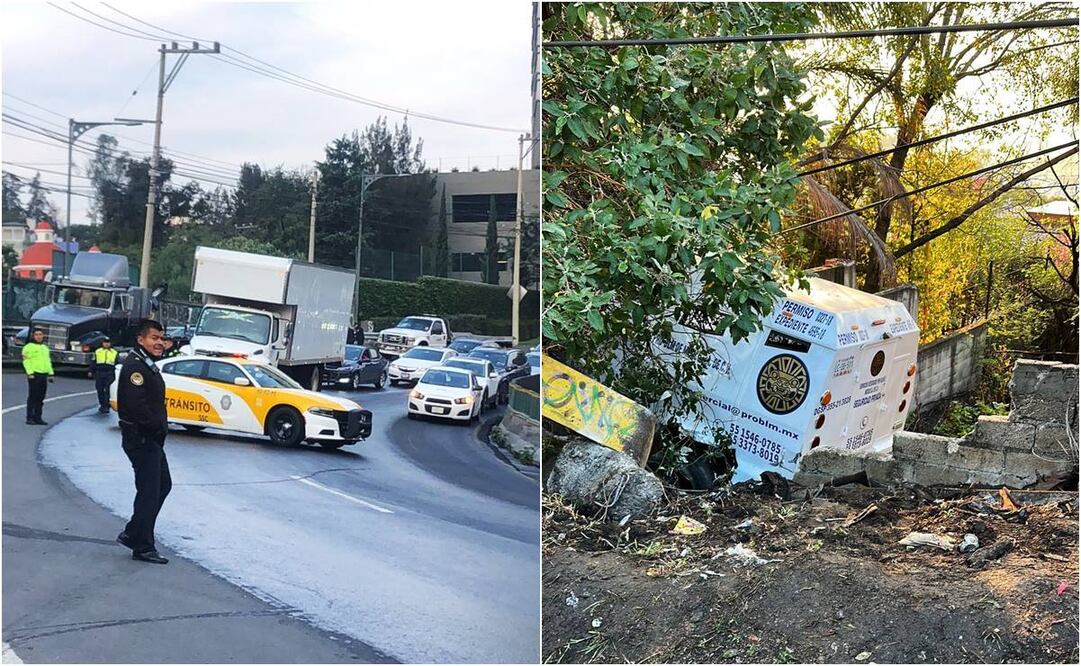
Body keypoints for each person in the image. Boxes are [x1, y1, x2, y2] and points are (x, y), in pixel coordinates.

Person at [115, 319, 171, 565]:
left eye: (161, 338)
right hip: (142, 438)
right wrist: (157, 427)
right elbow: (138, 408)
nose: (159, 343)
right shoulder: (135, 367)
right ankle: (143, 546)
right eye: (154, 338)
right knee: (149, 492)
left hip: (151, 439)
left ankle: (133, 532)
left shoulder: (146, 364)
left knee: (162, 486)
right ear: (141, 340)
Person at [21, 328, 54, 425]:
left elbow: (48, 362)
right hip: (34, 374)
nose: (39, 337)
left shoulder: (44, 348)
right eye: (37, 335)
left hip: (43, 374)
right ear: (33, 336)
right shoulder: (28, 347)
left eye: (41, 334)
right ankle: (30, 417)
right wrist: (29, 373)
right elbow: (26, 361)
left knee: (41, 397)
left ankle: (38, 417)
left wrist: (50, 373)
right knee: (33, 396)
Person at [90, 337, 119, 414]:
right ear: (102, 343)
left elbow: (117, 363)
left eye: (108, 342)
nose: (106, 344)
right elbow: (93, 362)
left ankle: (106, 406)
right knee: (99, 389)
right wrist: (91, 371)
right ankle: (102, 404)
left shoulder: (114, 352)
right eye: (105, 342)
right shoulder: (97, 351)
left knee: (108, 390)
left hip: (109, 372)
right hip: (100, 372)